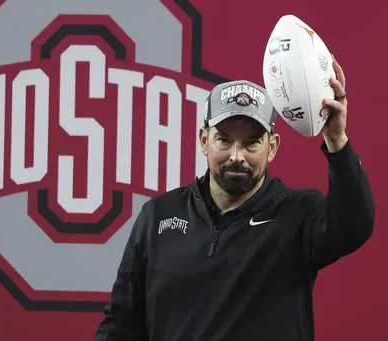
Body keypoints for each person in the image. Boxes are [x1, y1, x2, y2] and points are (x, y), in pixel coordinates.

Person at [94, 56, 375, 341]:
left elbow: (355, 226)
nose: (236, 156)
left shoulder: (298, 214)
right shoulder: (158, 216)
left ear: (272, 147)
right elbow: (121, 321)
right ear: (204, 141)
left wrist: (337, 141)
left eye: (252, 142)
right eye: (224, 140)